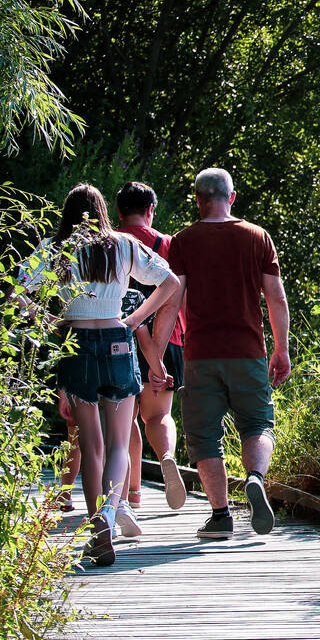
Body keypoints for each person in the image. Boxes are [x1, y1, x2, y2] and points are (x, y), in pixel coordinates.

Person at [21, 184, 181, 566]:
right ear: (103, 211)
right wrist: (136, 318)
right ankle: (110, 514)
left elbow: (19, 293)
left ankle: (97, 527)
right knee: (118, 445)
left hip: (75, 342)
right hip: (117, 339)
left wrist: (50, 322)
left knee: (90, 445)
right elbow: (171, 282)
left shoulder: (56, 247)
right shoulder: (124, 245)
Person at [158, 167, 290, 539]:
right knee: (258, 424)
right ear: (231, 198)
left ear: (198, 200)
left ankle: (220, 516)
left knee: (203, 435)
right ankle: (254, 478)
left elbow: (171, 303)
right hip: (248, 352)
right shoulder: (257, 237)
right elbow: (276, 297)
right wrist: (281, 349)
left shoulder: (182, 241)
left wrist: (156, 354)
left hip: (200, 355)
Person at [114, 181, 190, 511]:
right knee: (158, 416)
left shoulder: (110, 244)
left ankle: (132, 493)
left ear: (118, 212)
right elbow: (177, 299)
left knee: (126, 420)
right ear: (150, 211)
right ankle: (168, 457)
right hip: (168, 340)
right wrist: (158, 355)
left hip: (118, 341)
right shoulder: (169, 246)